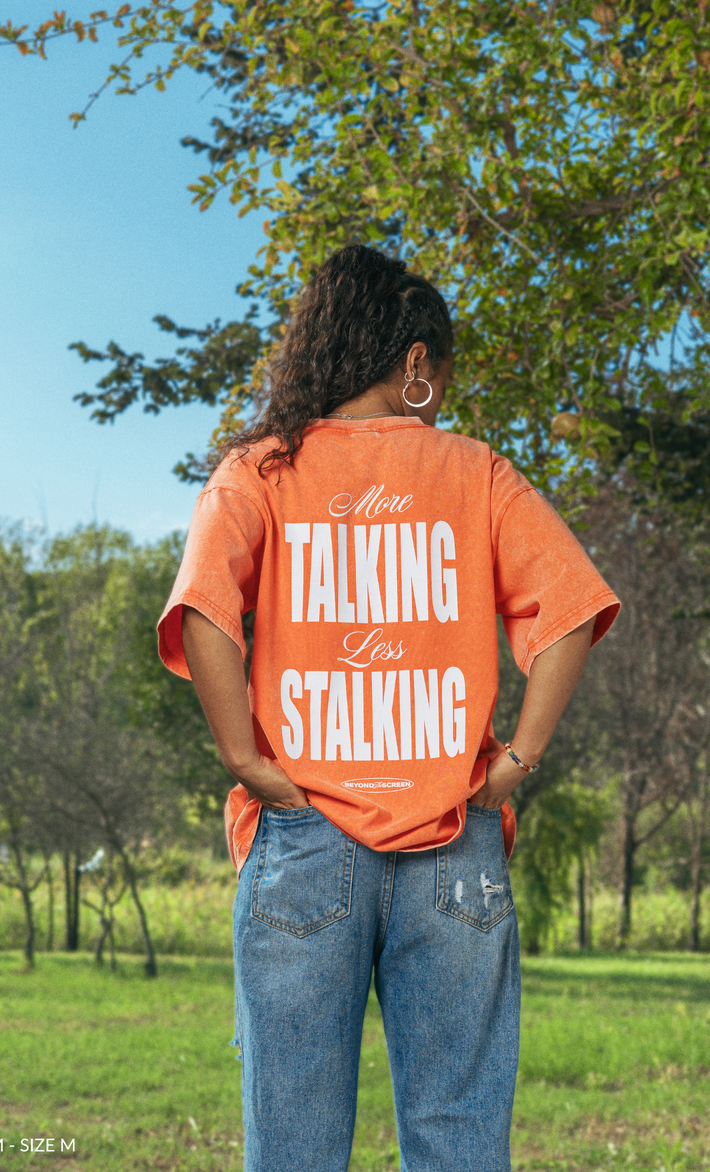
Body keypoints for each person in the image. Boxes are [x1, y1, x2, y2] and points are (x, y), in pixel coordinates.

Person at [157, 245, 619, 1172]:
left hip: (304, 838)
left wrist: (249, 762)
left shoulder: (258, 473)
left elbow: (203, 611)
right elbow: (570, 610)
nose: (441, 396)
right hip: (456, 842)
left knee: (292, 1144)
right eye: (441, 375)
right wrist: (518, 760)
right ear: (414, 363)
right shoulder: (477, 472)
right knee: (458, 1139)